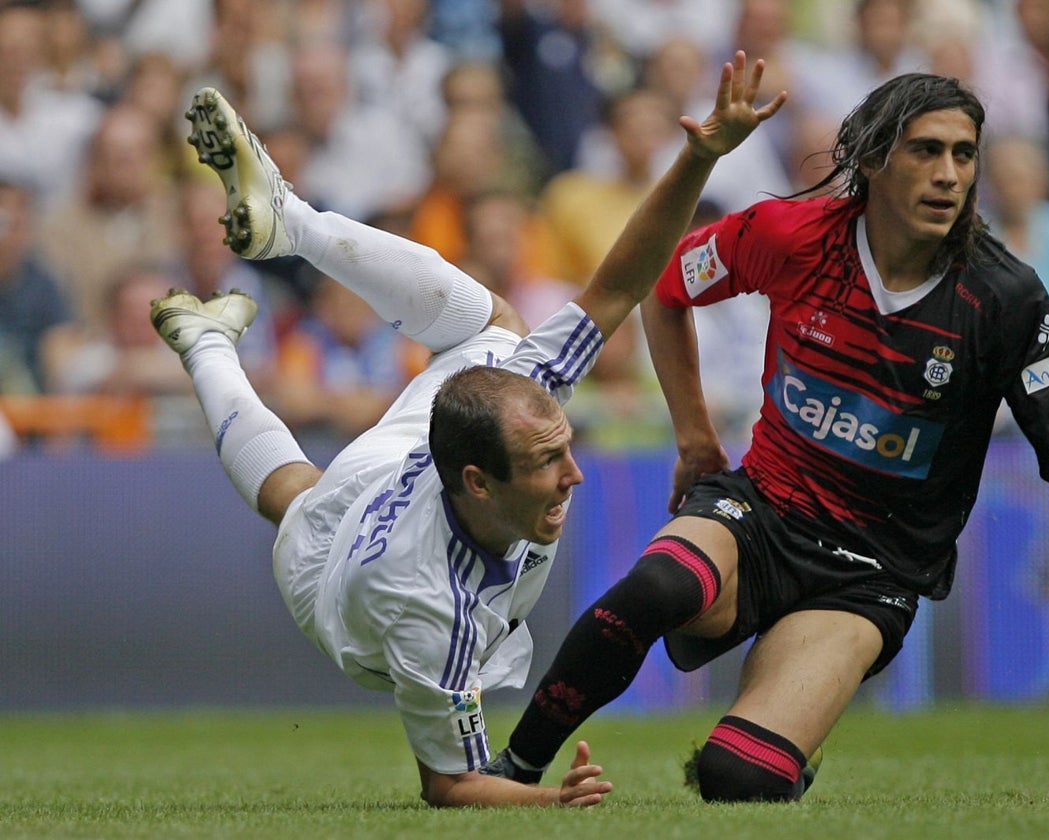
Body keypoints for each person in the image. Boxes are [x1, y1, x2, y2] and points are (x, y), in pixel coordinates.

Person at [485, 71, 1049, 803]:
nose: (949, 175)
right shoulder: (789, 235)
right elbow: (668, 286)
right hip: (761, 513)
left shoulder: (1006, 299)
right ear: (872, 161)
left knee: (736, 781)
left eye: (964, 154)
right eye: (926, 151)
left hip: (873, 573)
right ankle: (511, 771)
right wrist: (697, 441)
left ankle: (793, 738)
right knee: (655, 586)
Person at [150, 53, 784, 807]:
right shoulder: (428, 607)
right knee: (294, 499)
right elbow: (449, 786)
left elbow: (618, 281)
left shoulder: (521, 397)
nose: (575, 475)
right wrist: (556, 802)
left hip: (412, 468)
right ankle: (206, 337)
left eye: (565, 450)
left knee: (491, 331)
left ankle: (287, 230)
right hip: (329, 579)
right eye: (549, 463)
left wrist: (699, 156)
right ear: (480, 482)